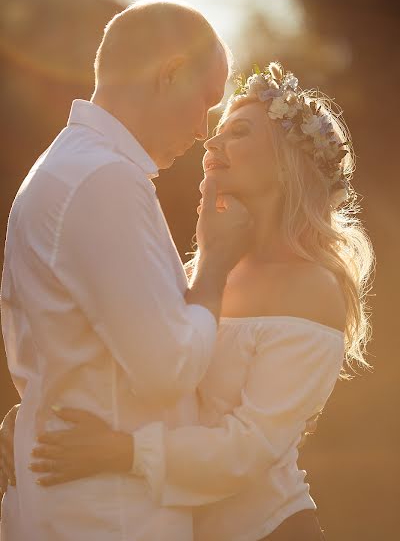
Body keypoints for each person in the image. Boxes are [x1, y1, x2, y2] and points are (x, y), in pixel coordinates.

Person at [0, 62, 374, 540]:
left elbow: (250, 447)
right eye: (215, 133)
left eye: (237, 132)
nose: (211, 144)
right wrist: (34, 418)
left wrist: (125, 452)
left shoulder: (313, 287)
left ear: (286, 162)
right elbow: (126, 364)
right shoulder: (203, 272)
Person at [0, 0, 254, 541]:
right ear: (170, 74)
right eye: (206, 101)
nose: (206, 130)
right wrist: (214, 264)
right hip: (109, 518)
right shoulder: (102, 180)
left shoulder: (69, 167)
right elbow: (167, 368)